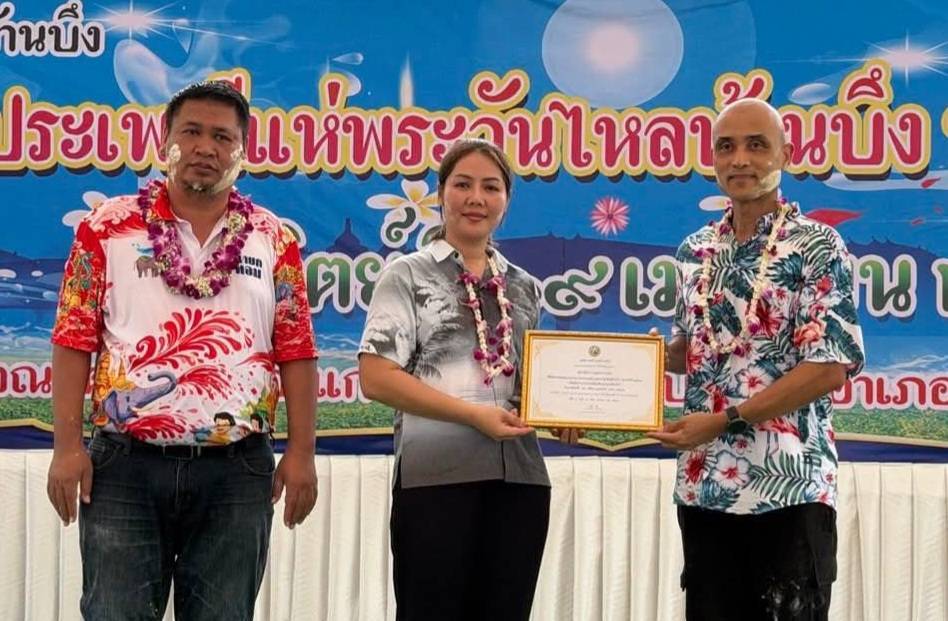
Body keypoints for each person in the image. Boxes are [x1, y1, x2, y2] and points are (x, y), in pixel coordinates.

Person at [46, 80, 319, 621]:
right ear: (164, 140)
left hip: (236, 472)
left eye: (222, 137)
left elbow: (296, 349)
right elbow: (73, 337)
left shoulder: (274, 238)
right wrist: (66, 447)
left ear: (242, 150)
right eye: (191, 132)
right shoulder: (106, 227)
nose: (205, 148)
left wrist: (302, 454)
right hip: (123, 466)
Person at [647, 98, 866, 621]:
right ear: (712, 158)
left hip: (789, 488)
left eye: (756, 145)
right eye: (726, 147)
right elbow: (695, 352)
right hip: (705, 488)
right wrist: (643, 361)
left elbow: (829, 366)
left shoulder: (817, 246)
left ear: (786, 154)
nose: (740, 159)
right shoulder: (694, 251)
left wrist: (726, 420)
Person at [359, 138, 567, 621]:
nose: (476, 198)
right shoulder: (406, 275)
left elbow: (531, 388)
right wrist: (473, 415)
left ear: (506, 201)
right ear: (441, 193)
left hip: (520, 483)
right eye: (463, 184)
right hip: (436, 478)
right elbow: (376, 377)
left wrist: (562, 416)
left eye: (491, 187)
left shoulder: (525, 287)